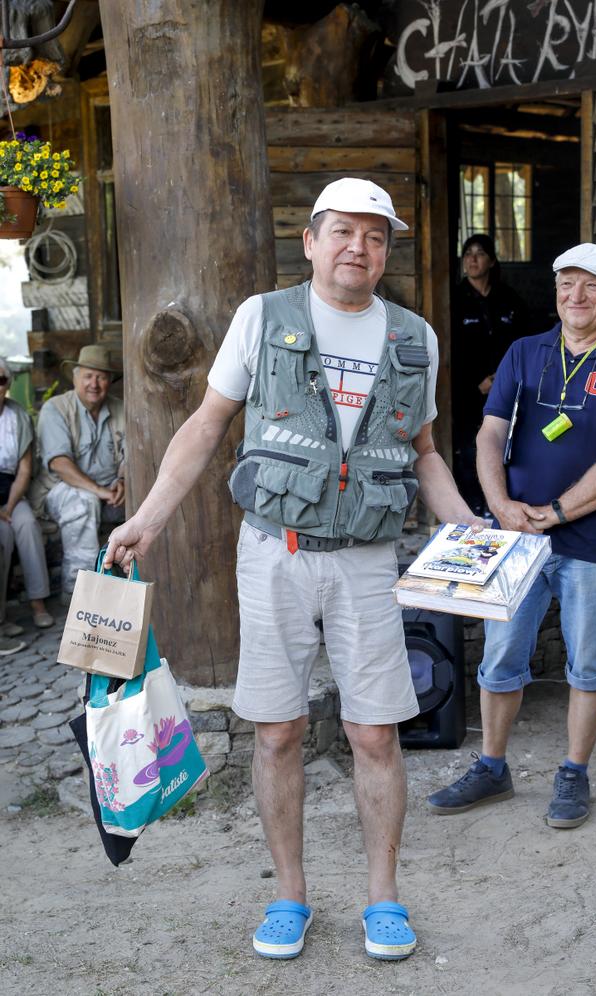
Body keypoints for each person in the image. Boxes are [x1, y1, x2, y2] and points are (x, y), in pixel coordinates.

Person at [104, 177, 481, 961]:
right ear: (310, 241)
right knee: (277, 731)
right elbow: (205, 428)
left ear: (386, 252)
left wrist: (471, 530)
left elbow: (425, 455)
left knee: (375, 733)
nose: (359, 248)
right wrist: (146, 519)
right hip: (274, 552)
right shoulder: (262, 318)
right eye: (343, 231)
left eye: (375, 237)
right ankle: (289, 897)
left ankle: (383, 900)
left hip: (368, 562)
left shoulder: (415, 336)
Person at [428, 243, 596, 829]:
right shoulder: (524, 353)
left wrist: (553, 512)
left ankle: (574, 774)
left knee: (588, 662)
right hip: (515, 536)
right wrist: (502, 505)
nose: (576, 298)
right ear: (555, 292)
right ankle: (492, 767)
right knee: (502, 657)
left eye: (590, 286)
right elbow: (488, 437)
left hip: (592, 541)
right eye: (566, 285)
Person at [31, 345, 125, 601]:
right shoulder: (56, 408)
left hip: (108, 490)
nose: (94, 384)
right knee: (82, 501)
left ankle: (135, 594)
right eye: (88, 376)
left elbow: (131, 453)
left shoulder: (120, 408)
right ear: (75, 378)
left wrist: (123, 480)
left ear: (109, 382)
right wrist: (100, 491)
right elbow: (59, 463)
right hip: (58, 491)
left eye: (102, 377)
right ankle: (79, 596)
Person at [452, 234, 530, 515]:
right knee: (471, 449)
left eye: (479, 253)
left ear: (492, 260)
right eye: (468, 253)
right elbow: (450, 351)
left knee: (507, 446)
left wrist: (500, 378)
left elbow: (524, 342)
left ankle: (500, 505)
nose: (472, 259)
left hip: (507, 386)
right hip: (466, 392)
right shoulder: (454, 299)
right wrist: (476, 384)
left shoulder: (509, 299)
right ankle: (475, 506)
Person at [0, 357, 51, 640]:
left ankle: (38, 602)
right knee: (2, 536)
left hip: (11, 491)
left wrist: (8, 506)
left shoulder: (17, 416)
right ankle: (1, 619)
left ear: (7, 384)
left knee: (27, 525)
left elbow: (25, 468)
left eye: (1, 380)